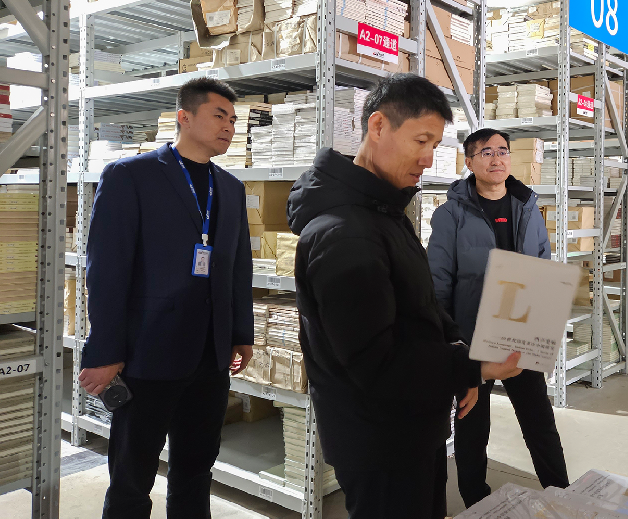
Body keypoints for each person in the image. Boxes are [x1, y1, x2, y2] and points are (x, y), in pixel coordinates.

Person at [286, 73, 522, 519]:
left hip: (411, 425)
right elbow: (375, 361)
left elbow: (421, 302)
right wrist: (471, 366)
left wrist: (459, 351)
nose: (428, 159)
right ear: (378, 126)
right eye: (421, 141)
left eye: (435, 144)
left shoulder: (384, 211)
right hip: (380, 443)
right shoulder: (345, 234)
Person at [77, 78, 254, 519]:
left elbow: (238, 267)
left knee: (196, 467)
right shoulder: (130, 176)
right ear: (184, 117)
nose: (229, 127)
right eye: (219, 115)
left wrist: (240, 332)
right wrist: (105, 351)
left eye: (233, 120)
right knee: (132, 474)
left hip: (210, 357)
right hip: (147, 353)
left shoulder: (230, 188)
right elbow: (107, 270)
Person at [426, 128, 570, 506]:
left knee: (539, 421)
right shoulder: (450, 215)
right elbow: (438, 284)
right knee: (473, 425)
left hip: (521, 334)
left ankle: (562, 495)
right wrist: (453, 344)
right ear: (470, 162)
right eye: (486, 152)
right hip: (472, 338)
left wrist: (544, 329)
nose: (496, 159)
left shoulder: (527, 207)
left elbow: (542, 267)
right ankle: (477, 502)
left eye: (502, 151)